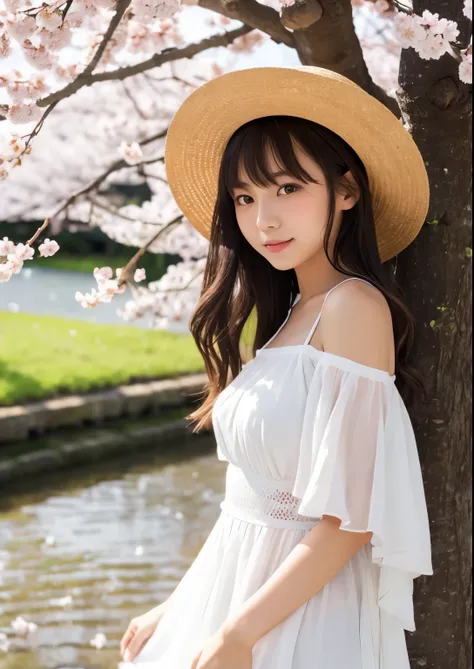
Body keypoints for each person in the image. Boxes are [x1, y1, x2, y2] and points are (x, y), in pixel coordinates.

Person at [118, 66, 433, 669]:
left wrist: (239, 634)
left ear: (346, 190)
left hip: (298, 613)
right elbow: (251, 501)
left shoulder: (353, 308)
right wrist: (181, 604)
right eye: (245, 197)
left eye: (288, 188)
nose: (264, 219)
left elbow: (352, 519)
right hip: (237, 592)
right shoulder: (293, 314)